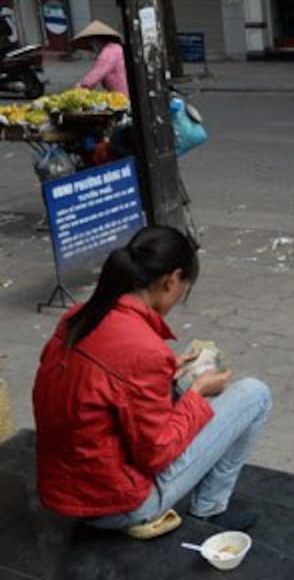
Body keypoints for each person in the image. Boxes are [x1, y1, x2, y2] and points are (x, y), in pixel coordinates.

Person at [33, 226, 272, 539]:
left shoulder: (77, 316)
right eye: (182, 290)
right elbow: (157, 453)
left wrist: (166, 372)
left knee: (176, 395)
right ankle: (211, 509)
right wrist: (198, 392)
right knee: (255, 394)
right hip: (116, 506)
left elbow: (92, 386)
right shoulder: (145, 350)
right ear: (171, 280)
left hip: (60, 493)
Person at [72, 20, 129, 96]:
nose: (92, 45)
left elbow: (97, 73)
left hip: (123, 94)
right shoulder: (115, 48)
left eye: (92, 42)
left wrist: (83, 85)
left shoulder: (110, 51)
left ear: (98, 40)